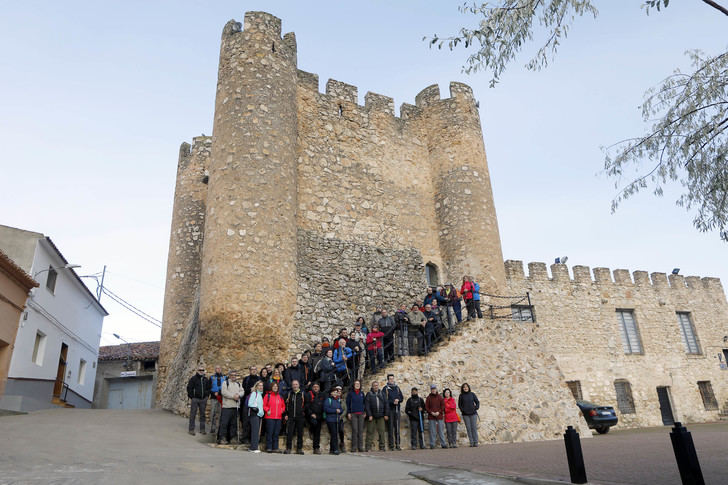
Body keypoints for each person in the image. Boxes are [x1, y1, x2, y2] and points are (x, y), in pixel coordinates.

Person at [218, 371, 243, 445]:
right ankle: (222, 438)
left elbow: (242, 391)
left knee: (234, 424)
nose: (233, 376)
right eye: (232, 375)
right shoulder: (225, 383)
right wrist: (233, 396)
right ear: (229, 376)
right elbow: (224, 392)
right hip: (227, 407)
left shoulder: (238, 384)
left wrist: (238, 395)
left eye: (234, 375)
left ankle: (233, 438)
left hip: (235, 407)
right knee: (224, 423)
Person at [186, 365, 211, 436]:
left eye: (202, 370)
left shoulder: (205, 379)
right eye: (200, 370)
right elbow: (189, 388)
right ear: (197, 371)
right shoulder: (193, 379)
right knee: (193, 414)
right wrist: (192, 396)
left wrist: (206, 396)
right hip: (195, 399)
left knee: (202, 414)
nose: (201, 371)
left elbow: (208, 388)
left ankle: (202, 429)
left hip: (203, 399)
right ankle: (191, 429)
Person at [364, 381, 389, 452]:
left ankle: (382, 447)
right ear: (372, 386)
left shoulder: (382, 394)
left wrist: (386, 414)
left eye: (377, 385)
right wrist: (369, 415)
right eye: (374, 385)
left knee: (382, 431)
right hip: (372, 416)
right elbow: (367, 405)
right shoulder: (369, 394)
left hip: (381, 416)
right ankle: (368, 447)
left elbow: (386, 404)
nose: (376, 387)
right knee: (369, 431)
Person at [284, 380, 306, 454]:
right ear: (292, 386)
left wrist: (303, 412)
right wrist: (286, 414)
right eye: (293, 384)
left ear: (299, 385)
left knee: (300, 433)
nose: (295, 386)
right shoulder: (289, 394)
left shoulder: (302, 394)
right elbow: (286, 404)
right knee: (289, 433)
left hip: (300, 417)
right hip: (290, 416)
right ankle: (288, 448)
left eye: (296, 384)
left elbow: (306, 404)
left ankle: (299, 449)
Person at [263, 381, 285, 453]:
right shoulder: (267, 396)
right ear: (271, 388)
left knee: (276, 433)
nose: (275, 387)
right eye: (274, 386)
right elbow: (264, 405)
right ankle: (269, 447)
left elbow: (283, 406)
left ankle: (275, 448)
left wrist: (282, 410)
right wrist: (267, 410)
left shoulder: (280, 396)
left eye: (276, 386)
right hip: (270, 417)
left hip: (278, 418)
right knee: (270, 433)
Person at [241, 365, 261, 444]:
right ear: (249, 371)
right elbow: (243, 390)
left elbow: (261, 389)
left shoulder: (259, 379)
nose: (253, 371)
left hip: (256, 402)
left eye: (255, 369)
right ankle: (245, 438)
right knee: (246, 421)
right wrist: (250, 390)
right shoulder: (246, 379)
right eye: (252, 369)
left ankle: (253, 438)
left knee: (255, 422)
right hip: (247, 402)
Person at [384, 374, 403, 451]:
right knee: (390, 428)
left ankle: (398, 444)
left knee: (397, 428)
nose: (392, 380)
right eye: (390, 379)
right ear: (388, 380)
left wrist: (398, 400)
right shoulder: (385, 389)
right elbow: (385, 400)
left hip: (397, 410)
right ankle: (391, 445)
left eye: (392, 379)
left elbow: (401, 397)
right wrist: (392, 402)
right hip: (390, 410)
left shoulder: (397, 388)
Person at [346, 379, 366, 452]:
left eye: (358, 384)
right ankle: (354, 447)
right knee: (355, 430)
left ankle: (360, 447)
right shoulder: (350, 394)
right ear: (354, 385)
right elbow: (348, 404)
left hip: (361, 414)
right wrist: (348, 413)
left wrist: (365, 412)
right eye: (356, 384)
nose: (357, 385)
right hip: (353, 414)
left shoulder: (362, 393)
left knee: (360, 431)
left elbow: (364, 403)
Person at [425, 384, 447, 449]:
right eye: (432, 389)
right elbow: (426, 407)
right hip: (431, 417)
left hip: (439, 416)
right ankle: (432, 444)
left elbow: (443, 406)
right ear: (431, 390)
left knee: (441, 431)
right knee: (432, 431)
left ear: (436, 389)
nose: (433, 390)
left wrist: (439, 412)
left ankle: (443, 444)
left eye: (434, 389)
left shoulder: (440, 397)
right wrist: (431, 412)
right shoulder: (428, 398)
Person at [458, 382, 480, 447]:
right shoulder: (461, 396)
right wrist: (463, 410)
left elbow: (477, 402)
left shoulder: (472, 394)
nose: (465, 388)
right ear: (463, 388)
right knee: (468, 428)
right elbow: (460, 405)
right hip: (465, 415)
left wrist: (475, 408)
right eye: (464, 387)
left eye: (466, 387)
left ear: (468, 387)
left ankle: (476, 442)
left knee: (474, 428)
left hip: (473, 414)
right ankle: (471, 442)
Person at [323, 387, 344, 455]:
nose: (335, 393)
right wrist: (335, 411)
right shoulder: (328, 400)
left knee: (334, 434)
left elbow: (341, 409)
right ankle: (335, 449)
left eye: (336, 392)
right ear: (331, 393)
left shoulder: (338, 400)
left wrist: (339, 411)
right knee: (334, 434)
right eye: (334, 392)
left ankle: (332, 449)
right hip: (330, 420)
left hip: (336, 420)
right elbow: (326, 409)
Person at [305, 382, 325, 454]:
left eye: (317, 387)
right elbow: (307, 406)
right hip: (311, 415)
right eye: (314, 387)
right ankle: (311, 430)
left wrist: (322, 415)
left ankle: (316, 448)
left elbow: (323, 405)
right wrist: (311, 414)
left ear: (319, 388)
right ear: (312, 388)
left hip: (319, 416)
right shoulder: (309, 394)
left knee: (318, 432)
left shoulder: (322, 395)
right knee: (314, 424)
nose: (316, 388)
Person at [247, 380, 265, 453]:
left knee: (257, 431)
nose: (261, 387)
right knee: (255, 431)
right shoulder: (254, 393)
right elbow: (250, 403)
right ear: (256, 386)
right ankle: (254, 448)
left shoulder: (260, 394)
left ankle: (253, 446)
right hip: (254, 414)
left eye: (262, 386)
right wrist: (257, 409)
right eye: (259, 385)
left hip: (259, 415)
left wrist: (262, 412)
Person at [209, 366, 227, 435]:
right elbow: (209, 387)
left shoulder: (224, 377)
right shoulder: (212, 377)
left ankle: (219, 428)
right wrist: (213, 393)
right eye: (217, 368)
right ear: (215, 370)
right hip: (214, 397)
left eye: (219, 368)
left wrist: (220, 393)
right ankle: (212, 428)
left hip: (222, 398)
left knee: (220, 413)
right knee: (213, 413)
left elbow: (226, 387)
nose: (218, 369)